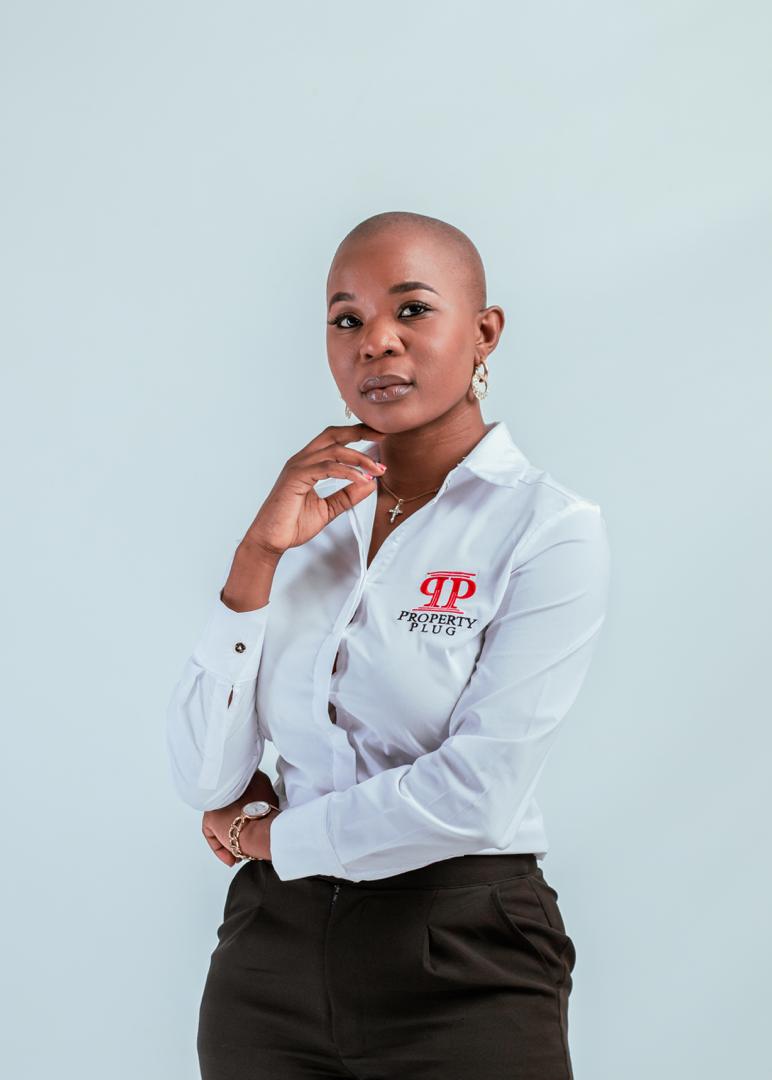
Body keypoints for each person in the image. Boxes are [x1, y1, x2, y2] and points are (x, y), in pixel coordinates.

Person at [165, 210, 610, 1079]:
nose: (376, 341)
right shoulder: (305, 522)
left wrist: (271, 839)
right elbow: (205, 778)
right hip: (270, 960)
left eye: (412, 310)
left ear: (484, 333)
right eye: (348, 319)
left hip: (463, 954)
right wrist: (256, 559)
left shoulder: (548, 529)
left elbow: (475, 794)